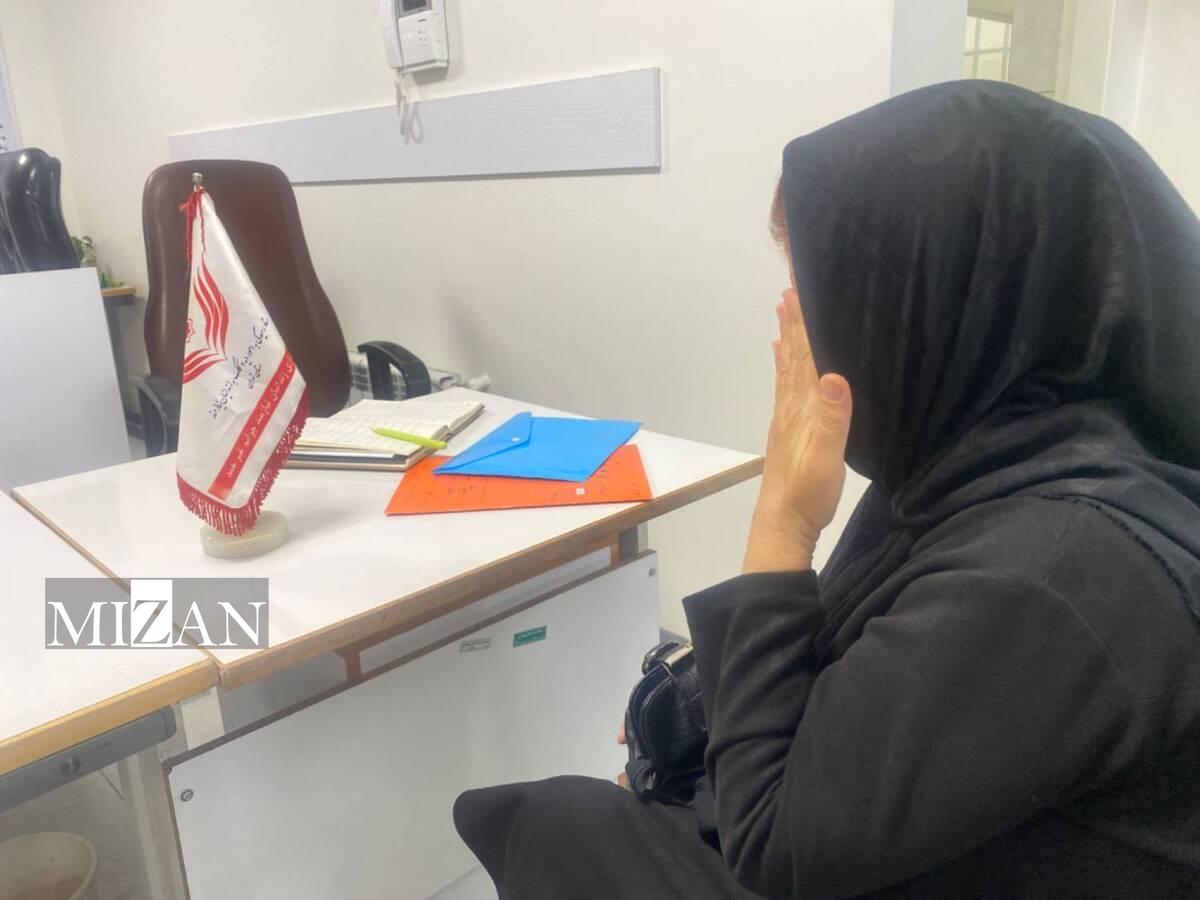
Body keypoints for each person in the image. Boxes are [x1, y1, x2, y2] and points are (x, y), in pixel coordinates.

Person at [453, 80, 1200, 898]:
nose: (800, 322)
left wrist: (782, 515)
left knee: (562, 823)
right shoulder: (998, 454)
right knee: (574, 815)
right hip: (933, 837)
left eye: (826, 292)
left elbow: (776, 847)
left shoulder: (1055, 573)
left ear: (947, 298)